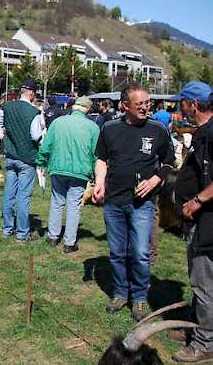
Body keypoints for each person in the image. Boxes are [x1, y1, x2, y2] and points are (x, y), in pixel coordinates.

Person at [93, 83, 175, 322]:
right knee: (117, 252)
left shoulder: (158, 130)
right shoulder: (109, 129)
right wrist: (100, 182)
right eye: (139, 104)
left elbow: (169, 164)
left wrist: (154, 181)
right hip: (114, 201)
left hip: (142, 203)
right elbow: (101, 160)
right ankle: (120, 293)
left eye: (147, 103)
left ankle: (139, 297)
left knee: (140, 252)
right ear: (125, 105)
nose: (145, 108)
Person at [168, 82, 213, 363]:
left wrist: (197, 200)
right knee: (202, 281)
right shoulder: (203, 133)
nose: (178, 107)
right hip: (200, 220)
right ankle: (194, 327)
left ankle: (204, 343)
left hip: (205, 222)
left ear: (192, 105)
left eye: (181, 102)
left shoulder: (211, 134)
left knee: (204, 283)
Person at [36, 96, 100, 253]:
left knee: (57, 203)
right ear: (88, 110)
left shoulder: (58, 122)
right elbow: (95, 154)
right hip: (80, 171)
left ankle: (52, 236)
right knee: (73, 206)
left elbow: (46, 145)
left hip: (58, 167)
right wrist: (95, 174)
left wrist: (41, 162)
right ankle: (69, 242)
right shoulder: (93, 127)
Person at [0, 80, 44, 242]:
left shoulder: (7, 107)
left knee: (9, 193)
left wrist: (5, 139)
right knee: (23, 196)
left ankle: (7, 229)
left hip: (11, 156)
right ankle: (23, 233)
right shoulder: (33, 112)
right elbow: (36, 135)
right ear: (32, 94)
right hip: (26, 158)